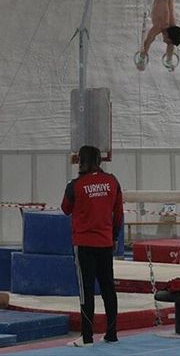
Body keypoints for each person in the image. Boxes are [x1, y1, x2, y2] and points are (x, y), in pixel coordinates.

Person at [61, 145, 123, 347]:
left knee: (86, 289)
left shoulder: (75, 185)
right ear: (100, 160)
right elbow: (119, 214)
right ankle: (112, 334)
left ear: (81, 161)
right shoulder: (112, 182)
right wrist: (114, 237)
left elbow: (65, 209)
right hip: (105, 242)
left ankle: (87, 337)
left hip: (84, 243)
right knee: (108, 287)